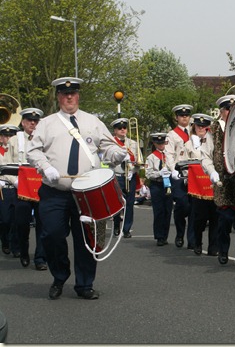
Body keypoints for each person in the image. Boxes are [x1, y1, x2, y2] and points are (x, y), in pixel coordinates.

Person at [27, 77, 129, 300]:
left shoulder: (93, 121)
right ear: (58, 97)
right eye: (64, 94)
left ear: (78, 95)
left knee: (88, 240)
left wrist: (118, 153)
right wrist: (45, 167)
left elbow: (108, 148)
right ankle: (59, 275)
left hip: (87, 194)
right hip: (55, 191)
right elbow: (33, 151)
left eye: (72, 93)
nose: (69, 97)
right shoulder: (47, 123)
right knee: (52, 235)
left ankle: (84, 284)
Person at [202, 95, 235, 266]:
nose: (230, 112)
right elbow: (205, 155)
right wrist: (211, 172)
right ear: (222, 111)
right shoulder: (214, 130)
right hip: (224, 181)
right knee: (225, 219)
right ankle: (223, 250)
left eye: (234, 109)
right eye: (227, 109)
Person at [7, 108, 48, 270]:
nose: (32, 123)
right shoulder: (14, 141)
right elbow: (5, 165)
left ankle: (40, 258)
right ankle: (24, 251)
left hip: (41, 188)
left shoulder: (45, 139)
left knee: (43, 224)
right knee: (22, 223)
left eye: (36, 121)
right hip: (22, 190)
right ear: (23, 122)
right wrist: (15, 181)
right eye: (29, 120)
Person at [185, 113, 217, 256]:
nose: (201, 128)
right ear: (194, 126)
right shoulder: (188, 144)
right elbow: (183, 163)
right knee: (199, 218)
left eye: (204, 126)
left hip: (213, 183)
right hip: (197, 186)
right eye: (199, 126)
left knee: (215, 217)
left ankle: (213, 247)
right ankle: (197, 242)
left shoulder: (215, 142)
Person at [165, 104, 196, 249]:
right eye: (182, 116)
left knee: (194, 207)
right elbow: (169, 154)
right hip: (179, 173)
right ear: (177, 118)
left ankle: (192, 239)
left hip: (194, 173)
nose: (185, 118)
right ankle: (179, 233)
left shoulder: (194, 132)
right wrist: (172, 170)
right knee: (182, 205)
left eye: (187, 115)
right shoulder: (172, 135)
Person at [109, 118, 141, 238]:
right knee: (118, 202)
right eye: (119, 128)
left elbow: (139, 160)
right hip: (117, 175)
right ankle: (117, 224)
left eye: (124, 128)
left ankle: (126, 228)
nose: (122, 130)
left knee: (130, 203)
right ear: (115, 130)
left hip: (130, 175)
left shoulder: (133, 143)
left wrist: (133, 170)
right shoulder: (111, 143)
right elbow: (107, 160)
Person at [144, 133, 173, 246]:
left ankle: (165, 235)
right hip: (157, 184)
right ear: (155, 143)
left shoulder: (169, 156)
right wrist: (159, 173)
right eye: (159, 143)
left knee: (167, 210)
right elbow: (148, 174)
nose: (161, 145)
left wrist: (171, 171)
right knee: (159, 211)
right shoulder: (151, 157)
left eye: (163, 143)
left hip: (168, 184)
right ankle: (159, 236)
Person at [0, 125, 20, 260]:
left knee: (17, 220)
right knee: (5, 220)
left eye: (11, 136)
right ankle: (5, 241)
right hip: (3, 188)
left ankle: (15, 247)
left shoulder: (18, 151)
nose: (8, 138)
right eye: (5, 136)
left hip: (17, 187)